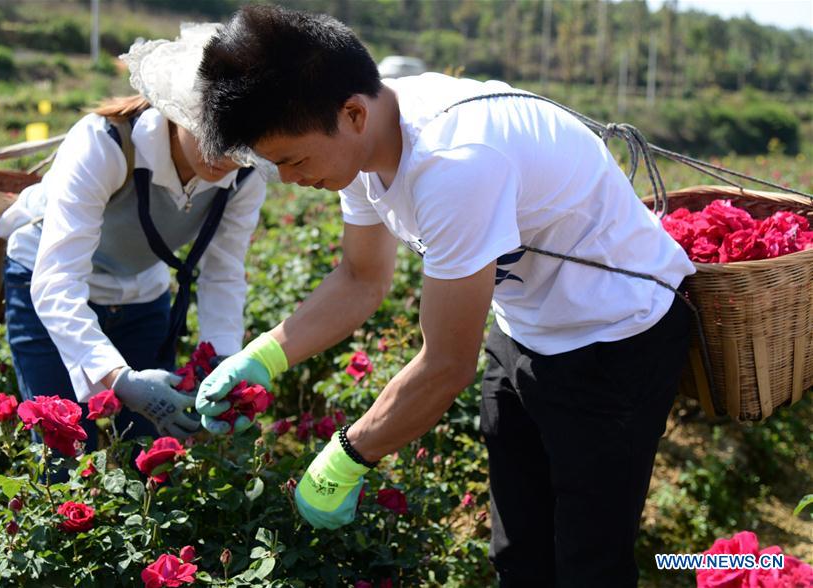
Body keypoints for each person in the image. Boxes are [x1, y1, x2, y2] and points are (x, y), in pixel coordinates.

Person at [193, 6, 694, 587]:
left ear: (352, 113)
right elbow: (361, 278)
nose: (288, 178)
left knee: (588, 562)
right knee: (518, 555)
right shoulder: (364, 138)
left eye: (292, 160)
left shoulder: (454, 163)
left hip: (615, 336)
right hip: (526, 326)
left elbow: (445, 364)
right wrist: (265, 355)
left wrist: (348, 454)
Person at [0, 23, 267, 451]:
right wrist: (119, 378)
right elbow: (57, 282)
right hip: (48, 285)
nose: (226, 157)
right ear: (179, 110)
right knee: (61, 447)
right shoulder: (104, 143)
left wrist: (221, 363)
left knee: (148, 446)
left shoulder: (245, 178)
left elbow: (223, 274)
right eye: (213, 135)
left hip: (141, 292)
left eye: (240, 145)